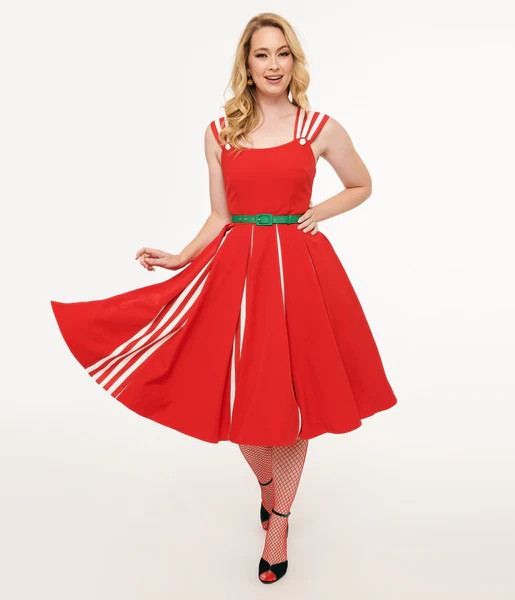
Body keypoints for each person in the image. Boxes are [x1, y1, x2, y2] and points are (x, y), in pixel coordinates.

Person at [50, 12, 397, 585]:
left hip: (300, 275)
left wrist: (318, 212)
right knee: (243, 399)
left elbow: (362, 184)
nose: (274, 65)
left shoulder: (319, 128)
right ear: (247, 63)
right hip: (238, 275)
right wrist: (180, 257)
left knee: (293, 403)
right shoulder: (220, 133)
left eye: (283, 53)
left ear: (294, 61)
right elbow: (221, 215)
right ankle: (268, 484)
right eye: (262, 54)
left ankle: (279, 523)